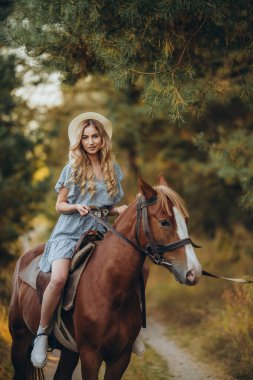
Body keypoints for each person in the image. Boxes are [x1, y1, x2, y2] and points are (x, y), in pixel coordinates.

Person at [31, 112, 145, 368]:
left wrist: (119, 209)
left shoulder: (113, 169)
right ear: (79, 141)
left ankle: (134, 330)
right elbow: (59, 205)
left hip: (102, 232)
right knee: (59, 278)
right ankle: (42, 331)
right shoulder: (72, 168)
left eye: (95, 136)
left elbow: (108, 206)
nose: (91, 141)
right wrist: (75, 207)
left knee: (135, 269)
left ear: (103, 139)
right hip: (71, 231)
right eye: (86, 138)